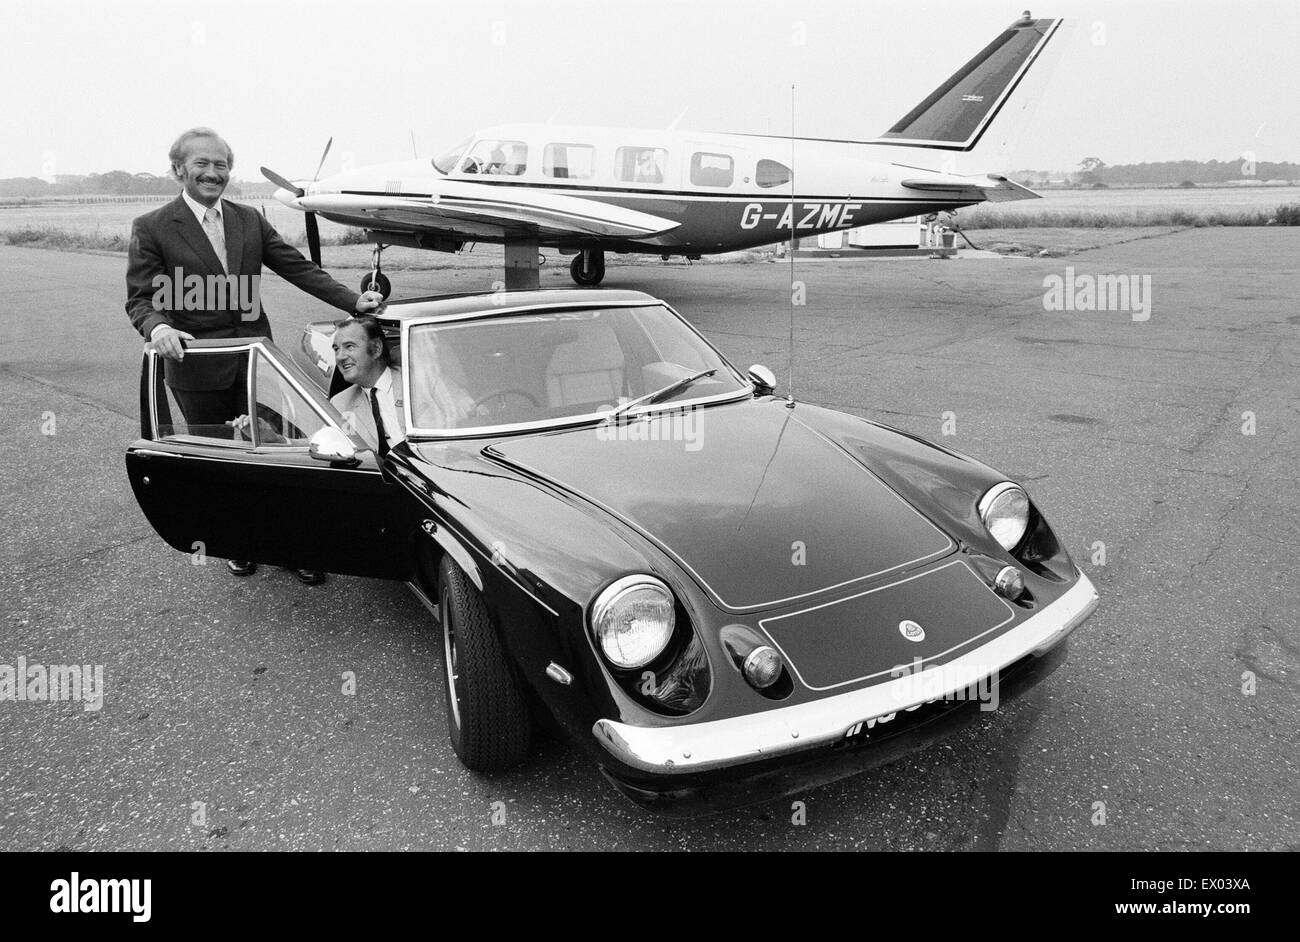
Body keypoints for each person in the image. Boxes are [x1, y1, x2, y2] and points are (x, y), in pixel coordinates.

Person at [126, 127, 384, 582]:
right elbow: (140, 299)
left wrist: (351, 302)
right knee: (226, 463)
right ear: (178, 170)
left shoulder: (249, 220)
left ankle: (295, 546)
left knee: (288, 454)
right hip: (196, 370)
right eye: (202, 164)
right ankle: (240, 543)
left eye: (221, 164)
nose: (213, 173)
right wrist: (159, 326)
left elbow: (297, 267)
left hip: (257, 364)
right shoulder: (152, 227)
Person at [329, 317, 406, 454]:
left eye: (349, 346)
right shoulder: (340, 404)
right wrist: (282, 441)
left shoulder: (416, 384)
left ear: (376, 348)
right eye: (336, 349)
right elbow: (324, 443)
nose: (340, 357)